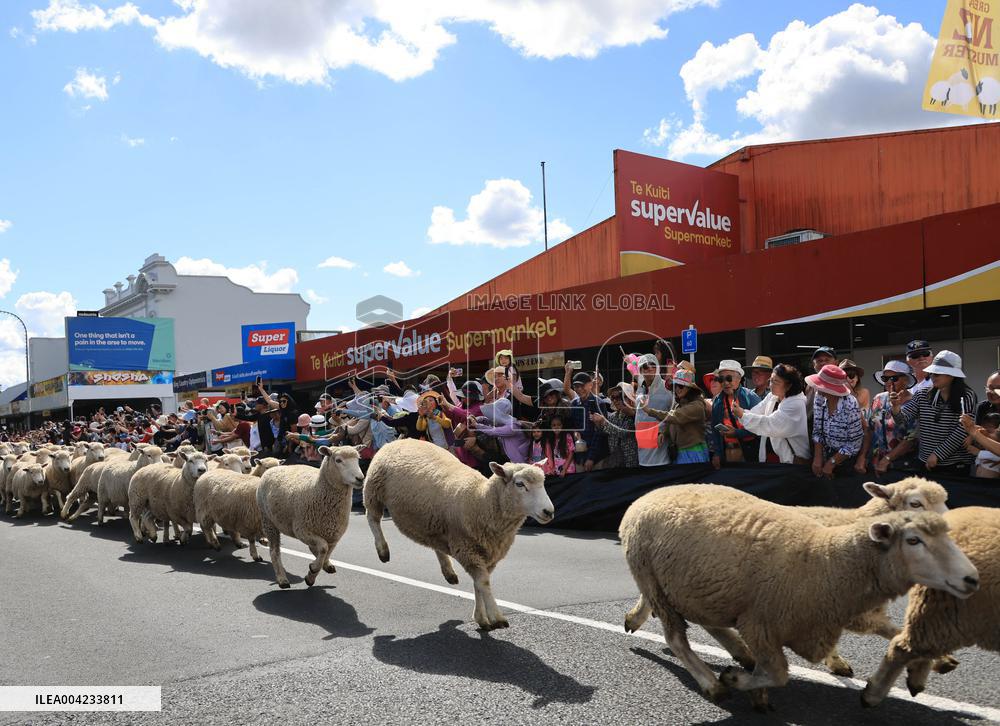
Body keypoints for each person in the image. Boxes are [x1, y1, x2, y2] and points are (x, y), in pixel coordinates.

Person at [891, 350, 977, 475]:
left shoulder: (967, 395)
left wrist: (937, 454)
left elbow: (963, 430)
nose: (932, 376)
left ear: (951, 375)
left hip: (957, 464)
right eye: (932, 373)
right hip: (926, 462)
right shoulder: (922, 394)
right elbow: (901, 420)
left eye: (937, 373)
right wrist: (896, 407)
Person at [733, 363, 810, 464]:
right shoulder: (773, 396)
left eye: (776, 382)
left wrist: (742, 415)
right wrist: (742, 413)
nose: (771, 385)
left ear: (789, 385)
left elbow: (770, 424)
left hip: (794, 460)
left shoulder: (796, 403)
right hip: (775, 457)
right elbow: (756, 412)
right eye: (771, 381)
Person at [861, 360, 918, 475]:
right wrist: (862, 456)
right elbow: (870, 430)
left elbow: (911, 439)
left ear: (906, 379)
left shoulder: (914, 402)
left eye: (894, 378)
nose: (889, 382)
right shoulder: (878, 399)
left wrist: (887, 460)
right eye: (885, 379)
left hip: (903, 467)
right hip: (875, 465)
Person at [807, 364, 863, 478]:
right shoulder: (819, 396)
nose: (816, 387)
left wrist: (831, 463)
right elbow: (817, 429)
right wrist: (818, 457)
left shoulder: (850, 404)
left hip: (846, 460)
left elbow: (854, 444)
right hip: (826, 453)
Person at [643, 368, 708, 464]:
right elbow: (672, 422)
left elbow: (675, 417)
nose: (677, 389)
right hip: (680, 453)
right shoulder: (678, 404)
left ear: (690, 388)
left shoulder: (697, 405)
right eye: (675, 385)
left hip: (694, 453)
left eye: (681, 386)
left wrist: (649, 411)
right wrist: (664, 434)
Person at [710, 360, 761, 468]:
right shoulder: (717, 401)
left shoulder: (751, 397)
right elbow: (715, 430)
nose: (725, 382)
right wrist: (717, 453)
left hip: (749, 454)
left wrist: (737, 433)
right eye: (721, 379)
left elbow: (760, 427)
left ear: (739, 379)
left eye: (729, 378)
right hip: (727, 455)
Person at [563, 365, 608, 472]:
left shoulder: (599, 403)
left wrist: (591, 458)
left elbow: (600, 432)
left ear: (590, 385)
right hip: (580, 455)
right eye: (576, 386)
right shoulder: (574, 403)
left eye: (582, 386)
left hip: (598, 456)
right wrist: (575, 433)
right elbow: (573, 426)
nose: (579, 389)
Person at [634, 354, 673, 466]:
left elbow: (674, 413)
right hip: (643, 444)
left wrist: (665, 433)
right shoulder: (640, 389)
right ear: (641, 370)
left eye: (653, 365)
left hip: (660, 442)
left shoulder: (667, 388)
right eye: (645, 366)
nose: (650, 368)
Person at [964, 412, 1000, 478]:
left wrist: (979, 453)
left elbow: (997, 456)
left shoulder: (996, 446)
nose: (985, 431)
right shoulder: (985, 445)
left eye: (989, 430)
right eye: (984, 428)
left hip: (992, 483)